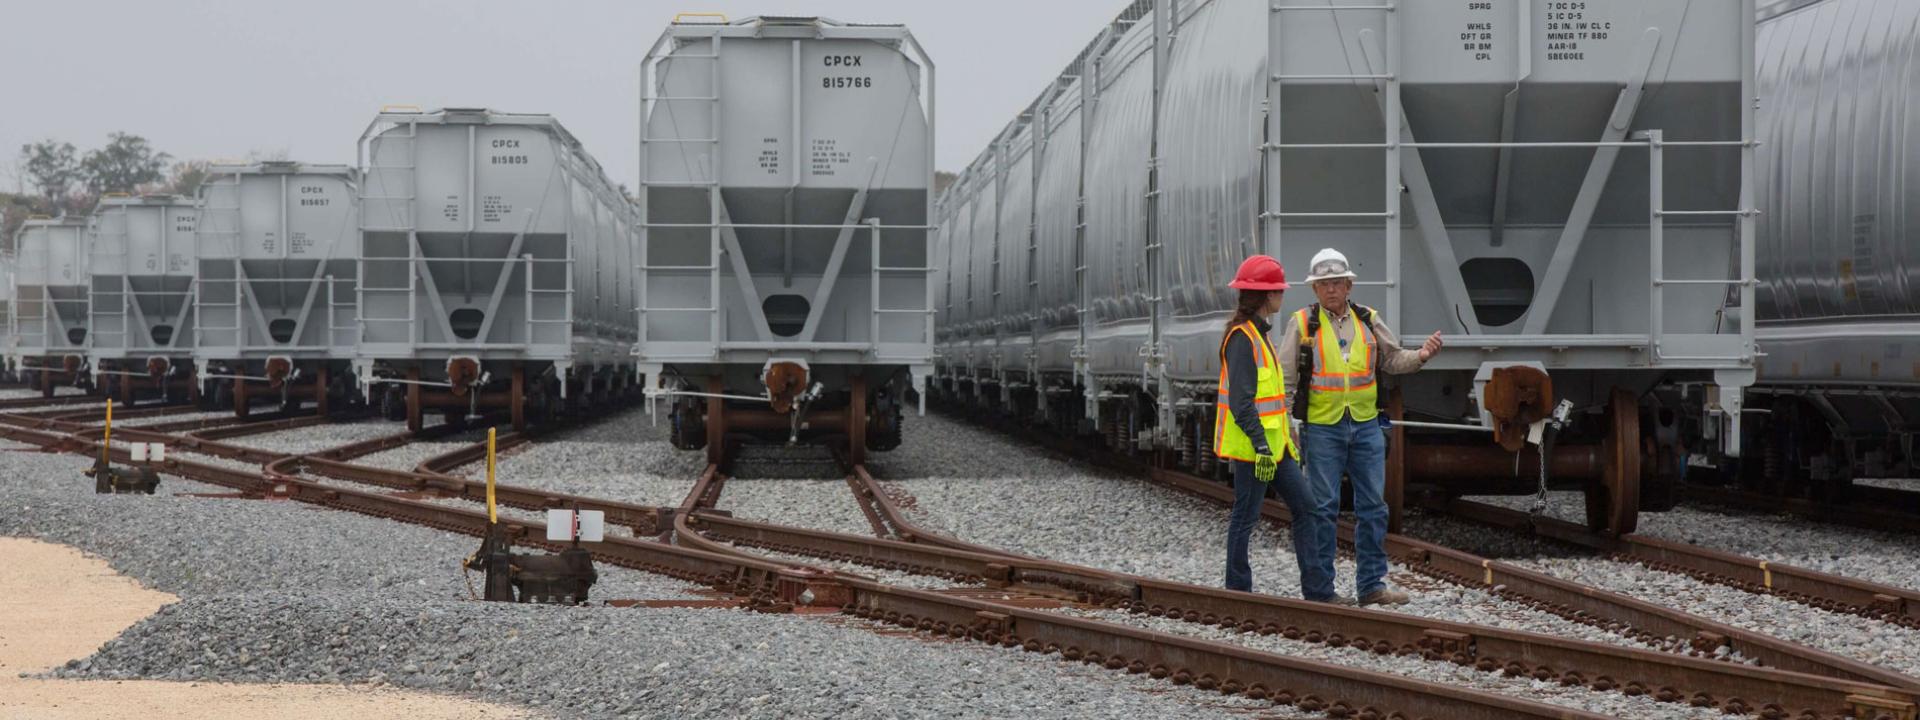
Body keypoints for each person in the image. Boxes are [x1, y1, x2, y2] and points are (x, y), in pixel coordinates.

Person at [1279, 248, 1443, 606]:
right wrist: (1287, 423)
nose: (1331, 290)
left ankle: (1371, 586)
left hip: (1366, 425)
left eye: (1336, 282)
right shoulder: (1302, 323)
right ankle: (1322, 591)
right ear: (1314, 289)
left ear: (1349, 285)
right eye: (1323, 284)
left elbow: (1393, 359)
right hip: (1322, 428)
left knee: (1373, 507)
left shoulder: (1368, 320)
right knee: (1323, 507)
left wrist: (1421, 357)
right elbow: (1285, 378)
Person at [1215, 254, 1315, 594]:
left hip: (1276, 448)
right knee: (1246, 516)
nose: (1282, 296)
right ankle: (1238, 589)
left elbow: (1268, 399)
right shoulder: (1243, 339)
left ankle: (1317, 589)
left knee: (1306, 507)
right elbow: (1242, 404)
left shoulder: (1259, 335)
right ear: (1266, 296)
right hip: (1256, 450)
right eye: (1279, 291)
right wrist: (1259, 445)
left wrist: (1286, 434)